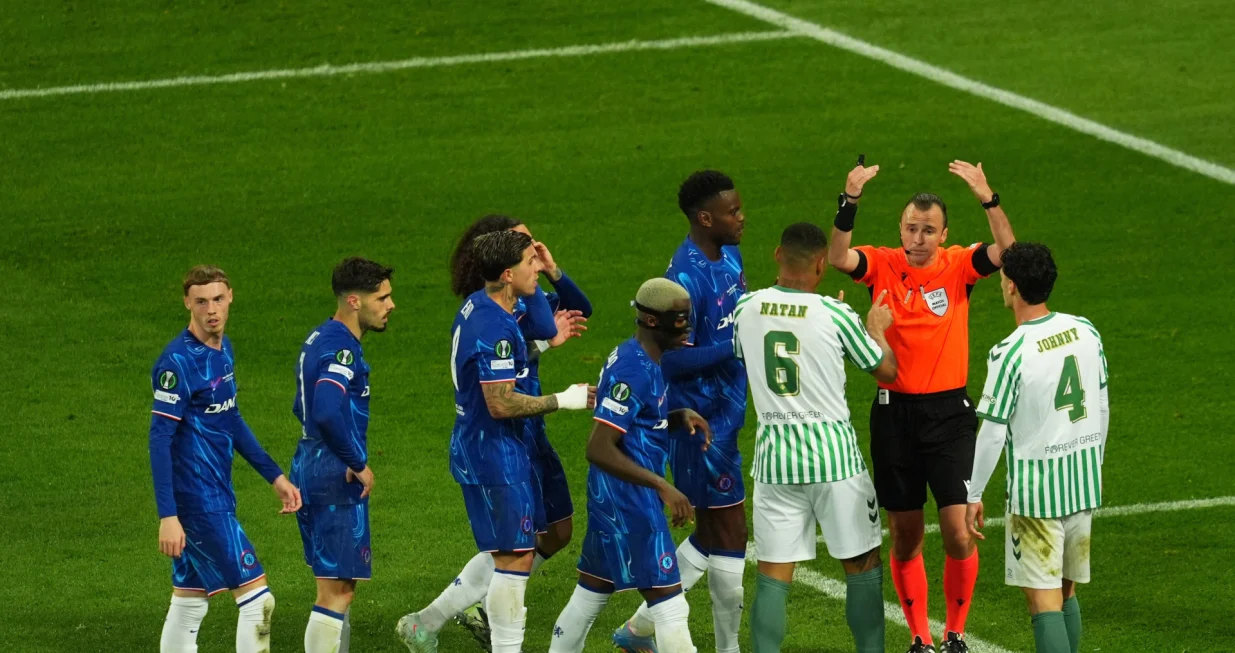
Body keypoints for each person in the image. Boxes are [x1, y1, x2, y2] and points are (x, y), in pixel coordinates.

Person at [827, 158, 1016, 653]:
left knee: (958, 532)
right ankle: (919, 637)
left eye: (928, 230)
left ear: (944, 233)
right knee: (906, 534)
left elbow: (1010, 253)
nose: (919, 238)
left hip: (951, 416)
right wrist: (850, 199)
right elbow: (838, 256)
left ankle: (955, 633)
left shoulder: (959, 265)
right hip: (894, 415)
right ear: (901, 229)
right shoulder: (882, 263)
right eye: (912, 227)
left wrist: (987, 197)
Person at [400, 215, 590, 650]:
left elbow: (537, 335)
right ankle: (452, 629)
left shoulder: (488, 308)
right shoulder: (495, 325)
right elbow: (500, 402)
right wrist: (565, 399)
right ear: (508, 274)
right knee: (514, 556)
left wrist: (544, 338)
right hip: (492, 448)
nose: (537, 267)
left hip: (514, 442)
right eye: (529, 260)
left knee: (542, 537)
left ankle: (426, 623)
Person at [732, 223, 897, 653]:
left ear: (776, 255)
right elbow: (886, 371)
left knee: (772, 575)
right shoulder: (834, 314)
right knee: (862, 566)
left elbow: (745, 351)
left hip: (774, 461)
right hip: (834, 461)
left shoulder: (746, 307)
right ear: (823, 264)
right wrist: (874, 328)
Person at [615, 170, 747, 653]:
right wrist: (733, 346)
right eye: (732, 212)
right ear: (704, 218)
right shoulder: (683, 277)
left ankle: (638, 630)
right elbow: (670, 357)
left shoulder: (730, 255)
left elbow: (739, 315)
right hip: (699, 422)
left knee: (716, 533)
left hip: (728, 417)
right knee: (730, 532)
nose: (741, 217)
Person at [548, 278, 710, 653]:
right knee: (671, 607)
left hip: (614, 498)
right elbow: (599, 446)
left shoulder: (640, 357)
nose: (686, 327)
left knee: (590, 595)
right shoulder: (633, 370)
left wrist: (673, 417)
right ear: (652, 321)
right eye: (679, 320)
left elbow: (635, 421)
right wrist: (661, 486)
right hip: (630, 502)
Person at [150, 265, 301, 653]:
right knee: (258, 602)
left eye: (217, 299)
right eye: (201, 301)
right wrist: (168, 515)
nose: (211, 310)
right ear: (187, 303)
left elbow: (230, 419)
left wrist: (275, 477)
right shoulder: (177, 363)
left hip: (217, 490)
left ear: (230, 296)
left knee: (189, 603)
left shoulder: (223, 349)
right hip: (199, 500)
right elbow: (160, 439)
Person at [966, 242, 1108, 653]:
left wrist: (973, 494)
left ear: (1009, 285)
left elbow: (991, 433)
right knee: (1066, 593)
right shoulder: (1086, 329)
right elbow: (1100, 403)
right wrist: (1094, 460)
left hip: (1037, 496)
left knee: (1042, 602)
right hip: (1082, 483)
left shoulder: (1010, 353)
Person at [291, 257, 395, 653]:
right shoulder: (343, 350)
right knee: (336, 593)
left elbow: (299, 406)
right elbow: (326, 410)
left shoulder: (320, 337)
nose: (390, 305)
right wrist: (356, 462)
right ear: (354, 301)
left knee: (339, 585)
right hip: (334, 472)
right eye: (381, 297)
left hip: (311, 462)